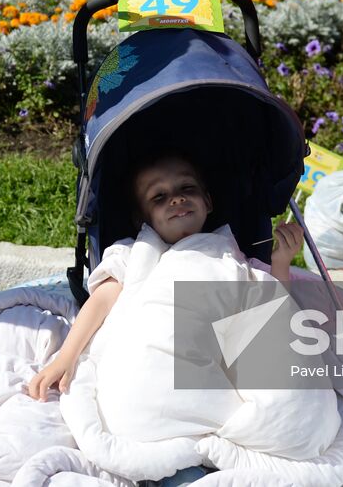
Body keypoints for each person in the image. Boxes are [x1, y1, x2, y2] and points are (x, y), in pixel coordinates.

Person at [26, 151, 304, 400]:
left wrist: (280, 262)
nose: (177, 198)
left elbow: (269, 309)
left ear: (208, 201)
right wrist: (66, 357)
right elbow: (101, 302)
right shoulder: (134, 253)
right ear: (142, 218)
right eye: (159, 197)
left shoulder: (229, 254)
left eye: (187, 188)